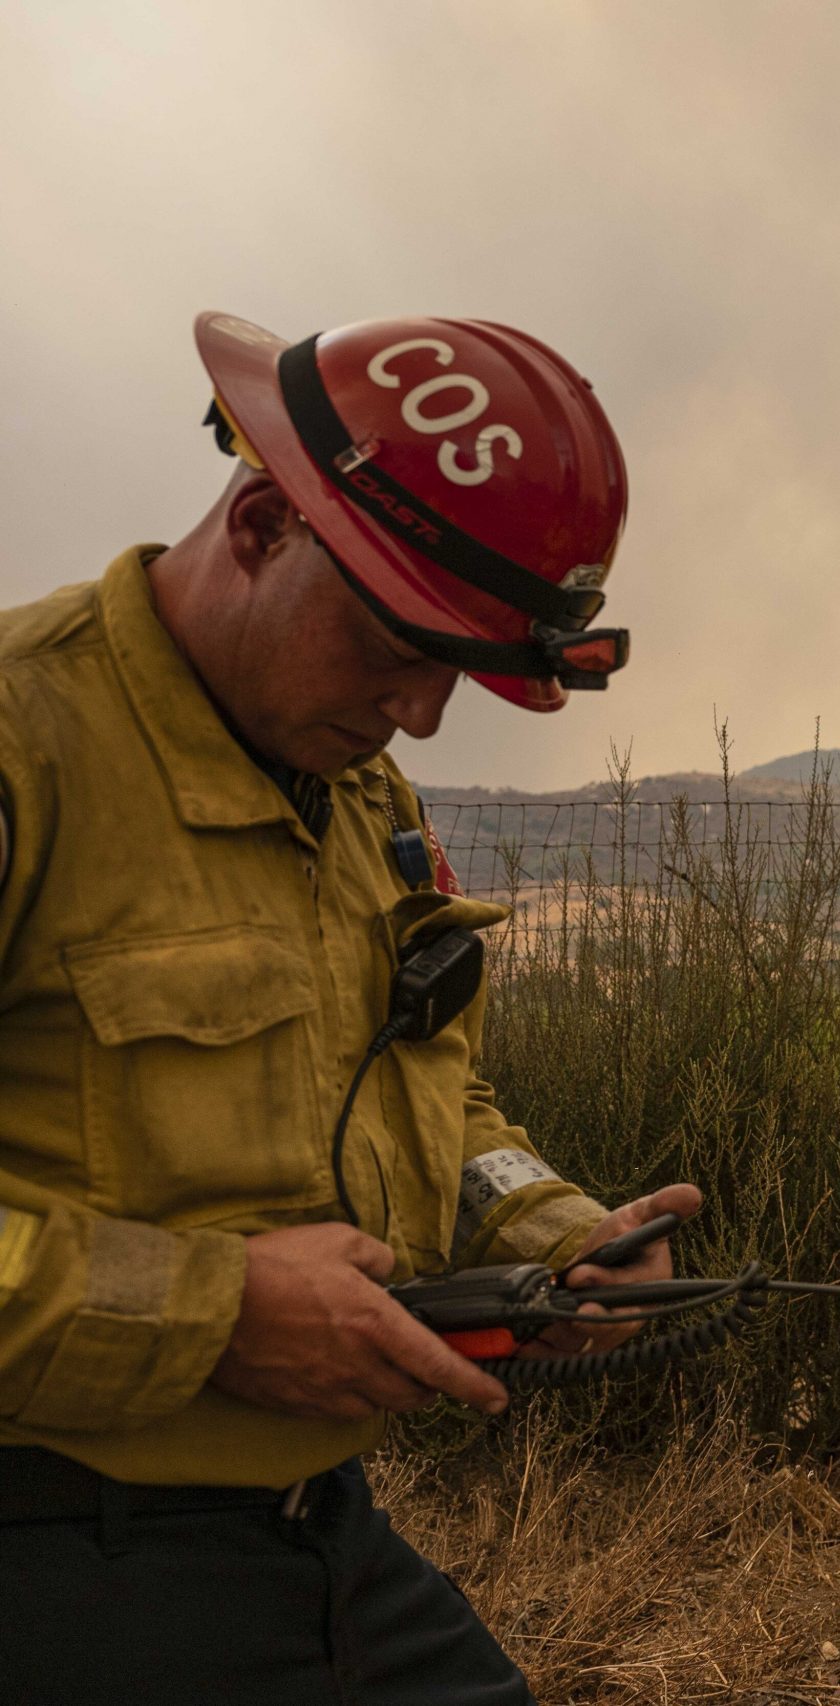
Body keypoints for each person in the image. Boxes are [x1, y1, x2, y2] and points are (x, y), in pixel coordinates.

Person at [0, 311, 701, 1704]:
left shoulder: (356, 791)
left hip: (313, 1534)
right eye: (401, 646)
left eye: (463, 670)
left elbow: (429, 1090)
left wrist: (550, 1231)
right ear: (264, 522)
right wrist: (213, 1313)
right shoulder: (33, 744)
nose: (426, 716)